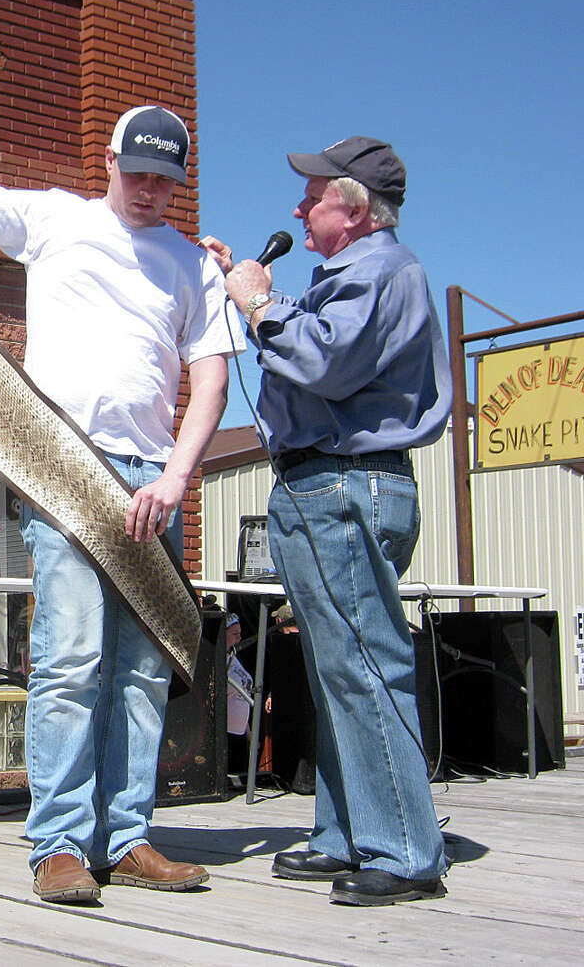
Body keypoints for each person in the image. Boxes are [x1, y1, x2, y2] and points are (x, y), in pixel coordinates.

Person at [0, 105, 243, 903]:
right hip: (64, 469)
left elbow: (210, 380)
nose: (149, 190)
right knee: (73, 657)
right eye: (137, 172)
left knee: (144, 672)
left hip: (153, 479)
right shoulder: (53, 218)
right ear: (108, 159)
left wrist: (177, 478)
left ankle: (129, 836)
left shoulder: (195, 266)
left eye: (165, 180)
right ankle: (59, 844)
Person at [219, 137, 453, 906]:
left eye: (311, 197)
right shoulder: (364, 277)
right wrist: (251, 289)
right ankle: (346, 834)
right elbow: (322, 343)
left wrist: (256, 303)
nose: (297, 209)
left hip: (343, 485)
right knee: (335, 669)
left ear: (350, 211)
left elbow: (324, 362)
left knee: (361, 665)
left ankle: (405, 852)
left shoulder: (378, 271)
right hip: (330, 487)